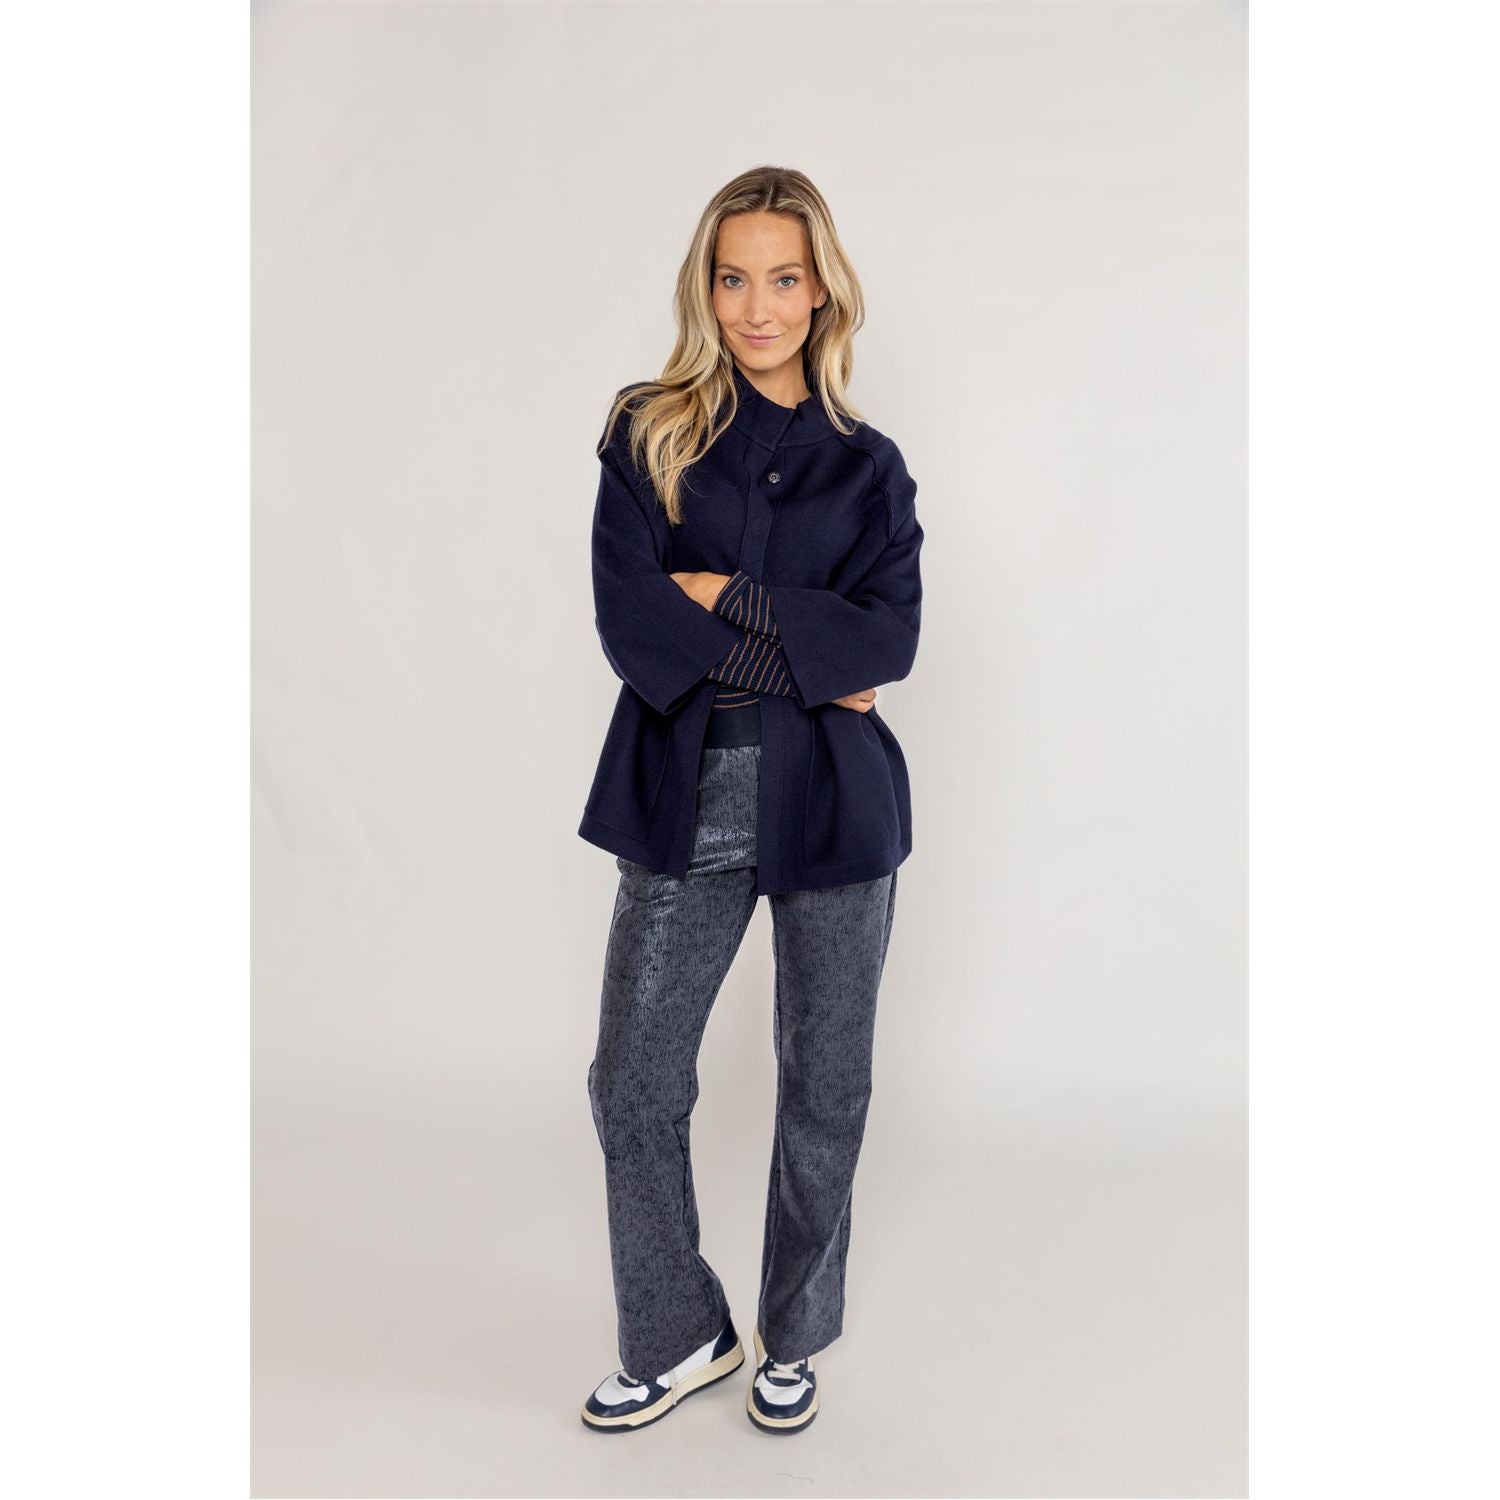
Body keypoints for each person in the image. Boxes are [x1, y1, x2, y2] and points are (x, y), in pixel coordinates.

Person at [577, 164, 923, 1436]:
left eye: (784, 278)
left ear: (823, 289)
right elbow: (634, 626)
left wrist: (729, 597)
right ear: (705, 286)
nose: (757, 308)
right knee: (632, 1078)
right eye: (734, 279)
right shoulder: (647, 431)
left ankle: (797, 1333)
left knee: (827, 1083)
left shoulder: (870, 470)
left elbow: (888, 643)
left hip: (836, 809)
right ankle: (679, 1333)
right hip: (686, 795)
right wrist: (807, 659)